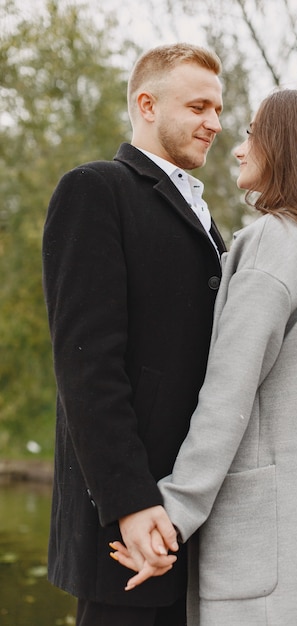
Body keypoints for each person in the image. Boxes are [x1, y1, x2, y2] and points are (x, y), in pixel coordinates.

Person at [111, 89, 297, 625]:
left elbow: (226, 398)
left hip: (270, 569)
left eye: (251, 133)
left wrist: (172, 514)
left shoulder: (274, 244)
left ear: (287, 146)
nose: (239, 148)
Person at [42, 42, 226, 626]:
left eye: (218, 110)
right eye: (198, 107)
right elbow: (85, 364)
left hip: (190, 510)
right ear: (147, 104)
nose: (214, 123)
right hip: (130, 522)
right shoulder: (96, 190)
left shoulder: (204, 213)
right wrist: (130, 501)